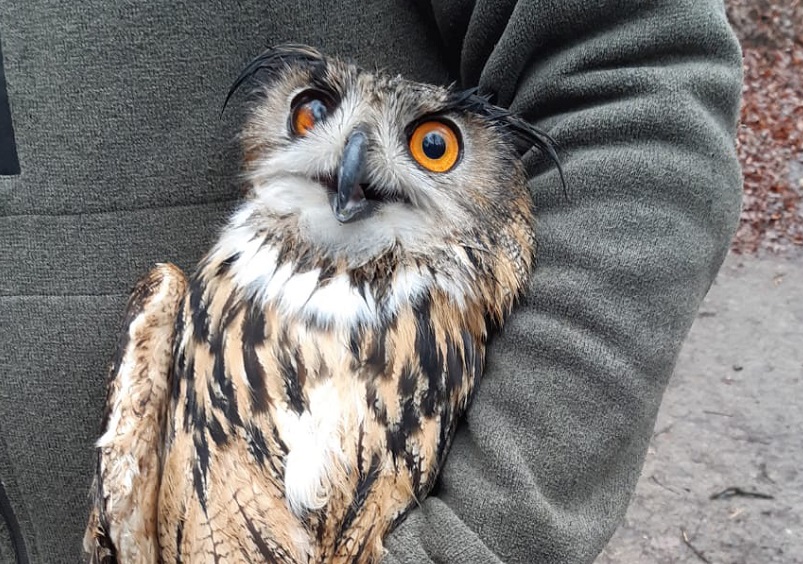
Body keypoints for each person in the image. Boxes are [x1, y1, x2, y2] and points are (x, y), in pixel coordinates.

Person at [0, 1, 742, 562]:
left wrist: (472, 544)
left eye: (432, 145)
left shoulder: (446, 326)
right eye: (313, 114)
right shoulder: (182, 320)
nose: (353, 159)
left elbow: (635, 82)